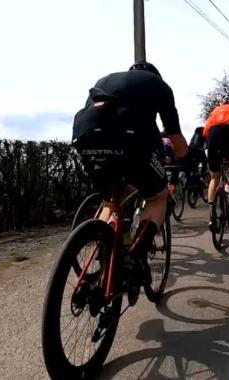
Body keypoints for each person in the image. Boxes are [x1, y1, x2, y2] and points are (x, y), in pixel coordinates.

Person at [71, 61, 187, 299]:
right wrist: (185, 156)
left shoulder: (105, 79)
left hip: (86, 137)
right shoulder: (159, 86)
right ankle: (135, 257)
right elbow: (176, 141)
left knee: (111, 200)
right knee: (158, 196)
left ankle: (104, 255)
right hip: (131, 141)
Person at [203, 94, 229, 230]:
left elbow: (205, 131)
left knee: (214, 177)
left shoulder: (214, 112)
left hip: (213, 136)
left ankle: (211, 215)